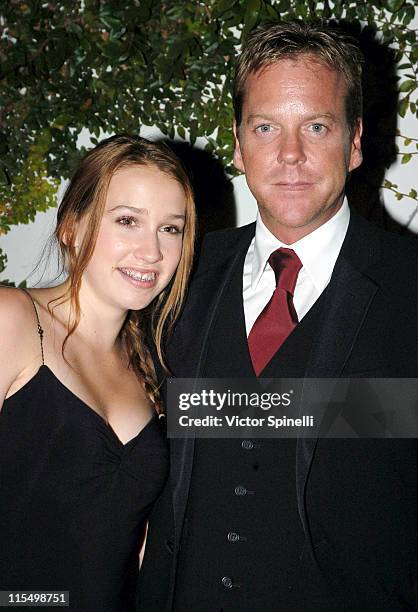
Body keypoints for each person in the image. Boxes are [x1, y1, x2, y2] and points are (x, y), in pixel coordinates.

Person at [137, 21, 418, 611]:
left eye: (316, 126)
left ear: (356, 140)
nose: (290, 155)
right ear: (239, 144)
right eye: (267, 128)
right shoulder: (174, 275)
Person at [0, 134, 196, 611]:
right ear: (72, 225)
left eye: (171, 229)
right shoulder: (13, 321)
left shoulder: (151, 365)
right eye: (127, 221)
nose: (151, 251)